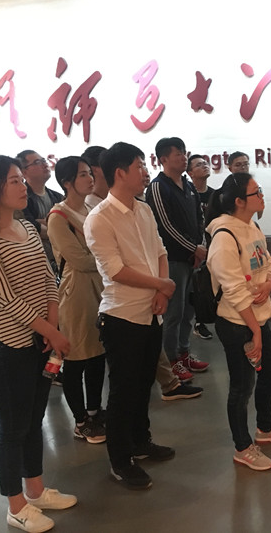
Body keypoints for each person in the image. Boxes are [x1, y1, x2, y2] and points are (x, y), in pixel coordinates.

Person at [0, 155, 76, 533]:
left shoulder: (26, 227)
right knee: (12, 428)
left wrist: (51, 326)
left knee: (32, 421)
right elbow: (7, 300)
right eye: (14, 180)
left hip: (40, 340)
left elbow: (48, 278)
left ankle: (36, 490)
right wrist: (51, 332)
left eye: (20, 180)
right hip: (7, 347)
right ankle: (15, 506)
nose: (23, 187)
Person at [84, 142, 177, 490]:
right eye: (139, 166)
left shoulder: (144, 210)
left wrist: (161, 291)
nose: (144, 172)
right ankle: (120, 460)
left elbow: (160, 252)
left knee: (143, 385)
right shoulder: (100, 218)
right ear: (119, 173)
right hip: (121, 316)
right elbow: (116, 270)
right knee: (123, 391)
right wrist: (162, 285)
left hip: (152, 312)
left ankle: (141, 441)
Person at [206, 173, 271, 471]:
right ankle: (242, 447)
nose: (261, 196)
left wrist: (269, 284)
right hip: (236, 323)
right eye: (256, 192)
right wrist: (255, 331)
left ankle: (265, 427)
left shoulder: (252, 227)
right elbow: (233, 290)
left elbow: (267, 263)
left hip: (258, 318)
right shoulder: (224, 236)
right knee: (242, 386)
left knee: (270, 373)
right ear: (239, 201)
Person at [47, 156, 107, 444]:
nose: (90, 179)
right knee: (77, 358)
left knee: (97, 354)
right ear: (67, 182)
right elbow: (80, 260)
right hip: (77, 293)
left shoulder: (90, 209)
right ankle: (81, 420)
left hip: (101, 288)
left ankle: (95, 411)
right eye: (83, 174)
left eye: (89, 173)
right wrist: (110, 260)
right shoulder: (58, 217)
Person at [145, 137, 209, 382]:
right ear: (163, 159)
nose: (184, 157)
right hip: (172, 260)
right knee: (173, 313)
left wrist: (200, 247)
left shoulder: (188, 186)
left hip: (192, 259)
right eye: (178, 154)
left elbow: (199, 219)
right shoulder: (158, 187)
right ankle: (171, 360)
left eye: (184, 153)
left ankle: (183, 352)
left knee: (188, 310)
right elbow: (165, 226)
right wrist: (193, 248)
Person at [16, 150, 63, 275]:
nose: (44, 164)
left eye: (43, 160)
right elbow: (31, 229)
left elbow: (69, 227)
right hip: (38, 266)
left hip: (61, 262)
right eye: (37, 162)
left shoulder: (58, 197)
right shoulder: (21, 200)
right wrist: (56, 226)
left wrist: (44, 223)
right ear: (24, 172)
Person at [187, 153, 215, 341]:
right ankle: (198, 322)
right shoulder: (188, 194)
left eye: (205, 163)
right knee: (195, 286)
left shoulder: (214, 195)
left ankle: (208, 317)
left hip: (213, 246)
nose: (204, 166)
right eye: (198, 165)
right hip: (194, 247)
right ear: (190, 172)